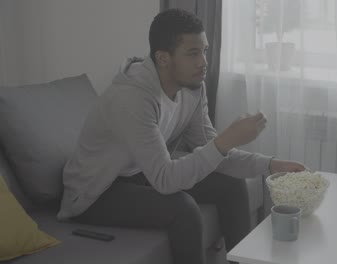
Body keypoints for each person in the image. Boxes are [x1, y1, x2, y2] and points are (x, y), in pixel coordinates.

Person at [57, 8, 305, 264]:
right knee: (182, 209)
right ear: (163, 58)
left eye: (204, 51)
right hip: (97, 193)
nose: (203, 62)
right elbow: (166, 179)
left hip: (140, 174)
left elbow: (212, 150)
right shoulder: (132, 99)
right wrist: (228, 138)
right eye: (193, 53)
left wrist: (270, 164)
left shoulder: (192, 88)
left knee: (230, 185)